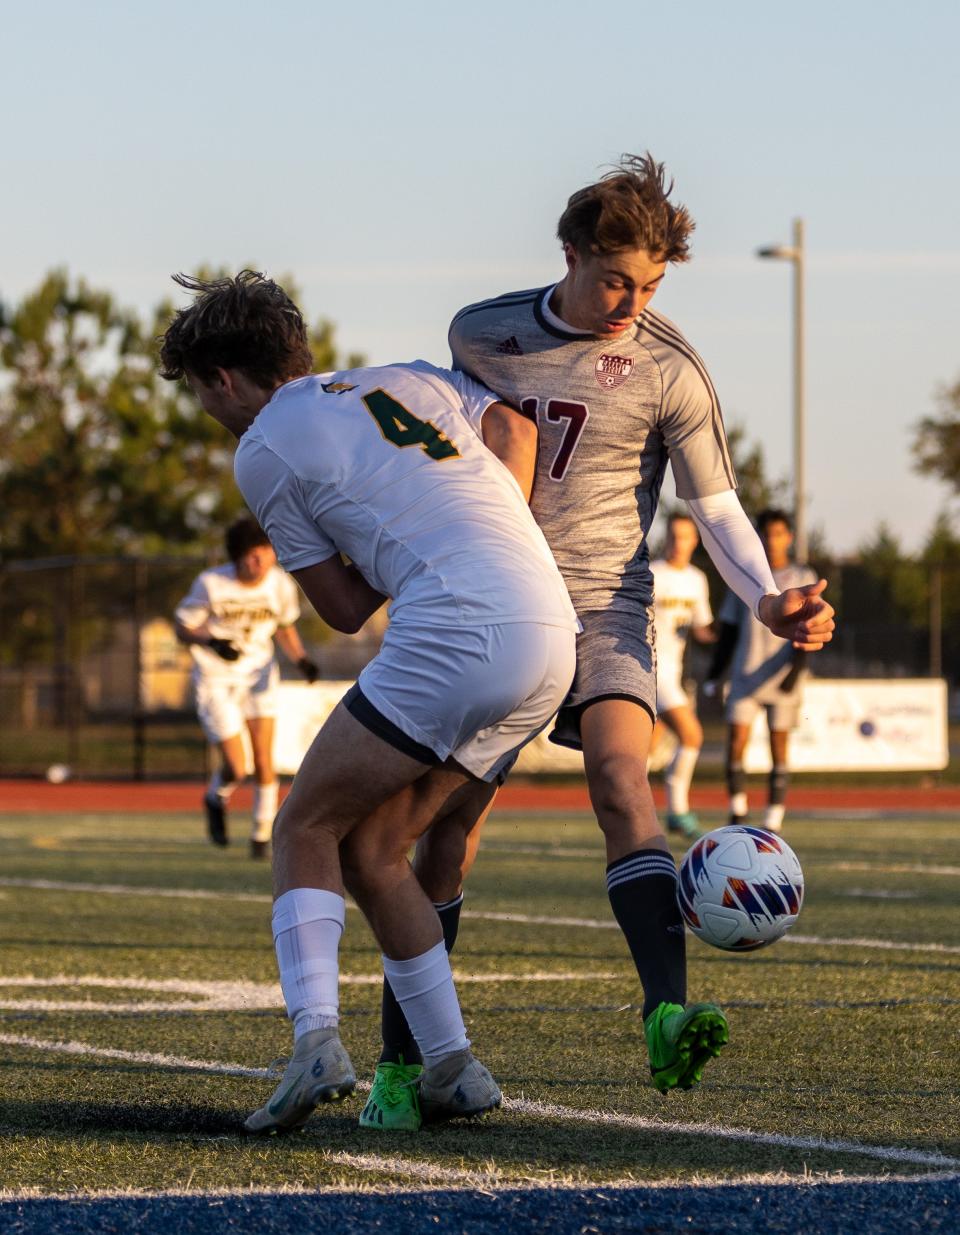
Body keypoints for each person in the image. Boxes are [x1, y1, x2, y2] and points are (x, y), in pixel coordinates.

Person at [364, 151, 836, 1129]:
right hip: (495, 607)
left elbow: (717, 508)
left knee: (627, 782)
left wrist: (772, 600)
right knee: (446, 840)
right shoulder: (481, 332)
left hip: (608, 603)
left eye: (653, 283)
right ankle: (402, 1068)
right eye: (618, 278)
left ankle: (666, 1011)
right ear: (570, 252)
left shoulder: (672, 366)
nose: (633, 302)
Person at [159, 270, 578, 1134]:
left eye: (199, 390)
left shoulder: (263, 447)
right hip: (549, 628)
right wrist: (490, 527)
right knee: (380, 847)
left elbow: (346, 611)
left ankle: (315, 1040)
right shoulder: (406, 378)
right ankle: (452, 1065)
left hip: (460, 628)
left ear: (224, 378)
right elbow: (509, 421)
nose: (205, 406)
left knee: (305, 824)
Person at [175, 516, 320, 859]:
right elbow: (183, 627)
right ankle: (216, 796)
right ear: (236, 557)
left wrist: (301, 659)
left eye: (266, 553)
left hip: (259, 674)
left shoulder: (280, 585)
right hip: (216, 678)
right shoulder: (211, 584)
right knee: (238, 766)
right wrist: (211, 642)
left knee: (265, 759)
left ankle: (260, 838)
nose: (260, 561)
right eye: (252, 555)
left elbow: (284, 626)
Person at [706, 508, 817, 833]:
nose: (773, 540)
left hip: (783, 678)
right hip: (745, 674)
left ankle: (773, 819)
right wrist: (715, 675)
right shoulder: (746, 574)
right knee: (736, 741)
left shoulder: (801, 576)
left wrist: (796, 673)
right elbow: (728, 630)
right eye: (767, 534)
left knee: (778, 745)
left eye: (779, 533)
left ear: (789, 537)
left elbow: (809, 628)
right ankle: (737, 812)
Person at [650, 513, 716, 838]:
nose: (678, 542)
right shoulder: (651, 575)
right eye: (674, 535)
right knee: (692, 736)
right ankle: (678, 812)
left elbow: (702, 629)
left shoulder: (696, 579)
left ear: (695, 541)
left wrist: (728, 636)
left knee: (643, 749)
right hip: (650, 669)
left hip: (673, 673)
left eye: (685, 536)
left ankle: (630, 807)